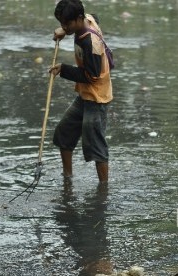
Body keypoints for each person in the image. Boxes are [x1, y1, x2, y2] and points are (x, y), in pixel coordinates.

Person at [49, 0, 112, 184]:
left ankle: (103, 189)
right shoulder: (88, 19)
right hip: (85, 95)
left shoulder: (90, 43)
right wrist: (65, 31)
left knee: (95, 145)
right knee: (63, 133)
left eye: (66, 24)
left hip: (97, 96)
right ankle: (67, 179)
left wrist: (63, 69)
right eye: (61, 23)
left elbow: (91, 76)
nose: (63, 27)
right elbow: (95, 16)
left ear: (78, 19)